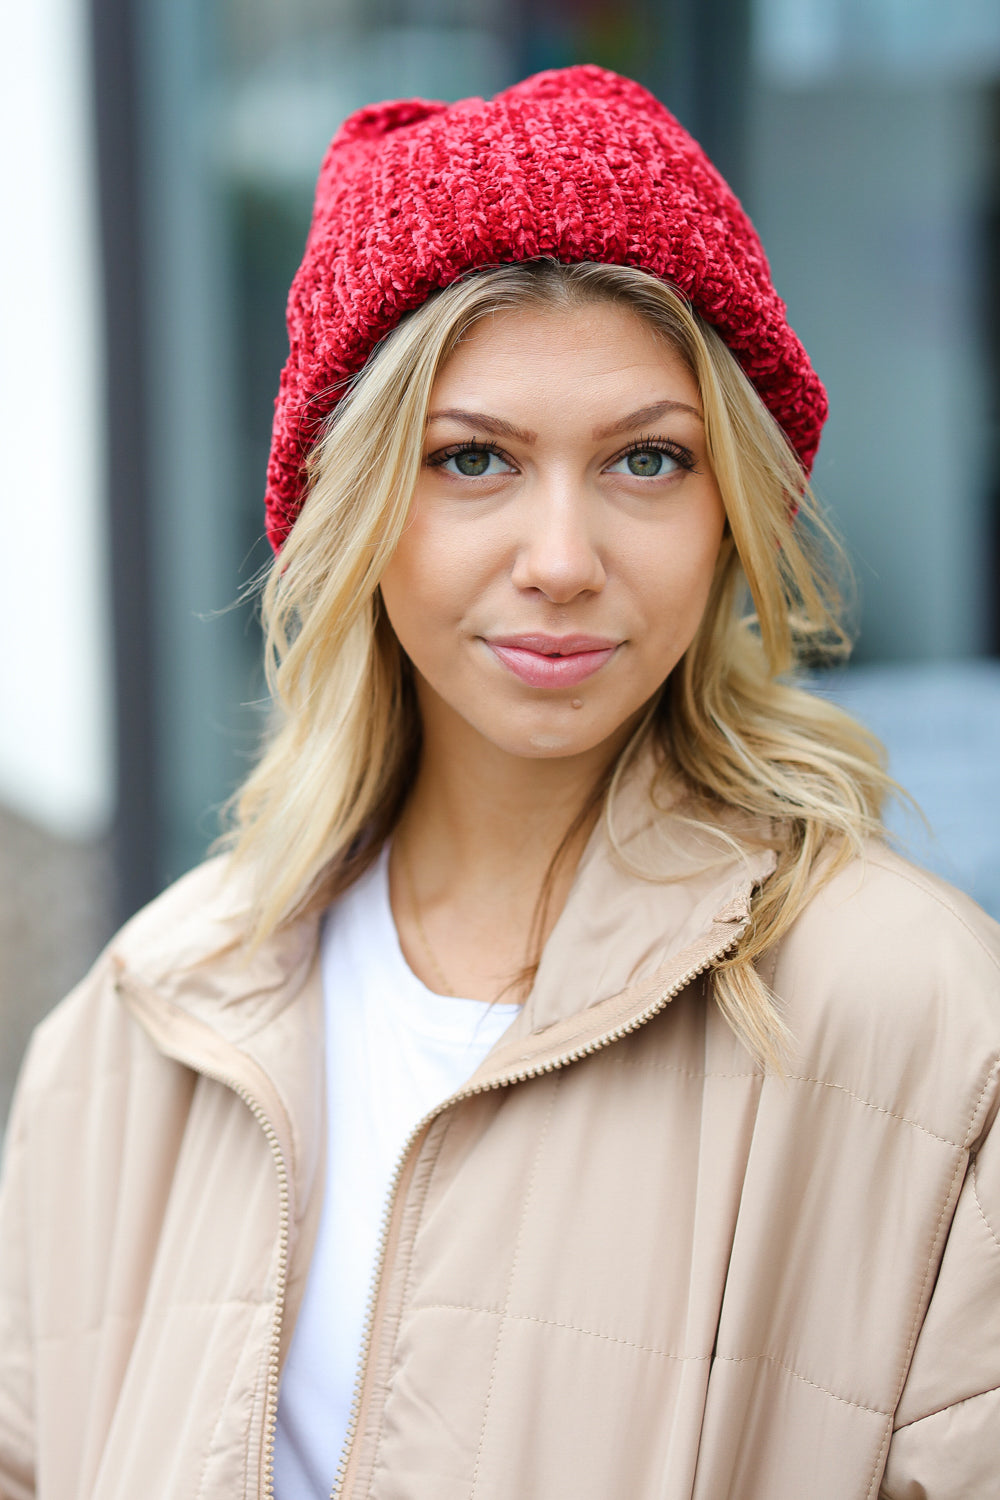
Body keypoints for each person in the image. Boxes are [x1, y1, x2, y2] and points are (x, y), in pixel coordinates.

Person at [1, 64, 998, 1500]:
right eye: (472, 459)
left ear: (733, 511)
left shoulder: (921, 1018)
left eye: (647, 459)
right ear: (356, 513)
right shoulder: (142, 1023)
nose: (561, 558)